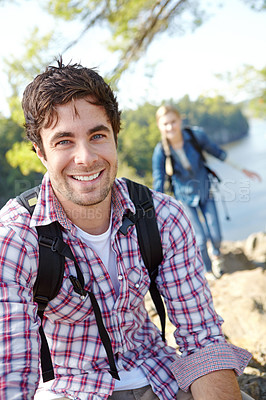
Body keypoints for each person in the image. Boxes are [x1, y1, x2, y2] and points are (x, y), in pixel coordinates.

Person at [0, 58, 254, 400]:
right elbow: (13, 374)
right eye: (63, 142)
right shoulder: (16, 238)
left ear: (115, 136)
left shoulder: (163, 217)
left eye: (97, 135)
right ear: (40, 152)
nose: (86, 157)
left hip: (160, 374)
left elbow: (202, 339)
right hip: (71, 387)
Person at [152, 104, 261, 279]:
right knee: (200, 238)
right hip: (185, 198)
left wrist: (244, 170)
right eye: (165, 124)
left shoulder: (196, 136)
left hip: (205, 191)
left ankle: (216, 254)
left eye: (173, 121)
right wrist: (154, 211)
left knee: (216, 235)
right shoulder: (160, 152)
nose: (170, 127)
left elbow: (218, 153)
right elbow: (159, 182)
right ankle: (208, 270)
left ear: (180, 120)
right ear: (160, 126)